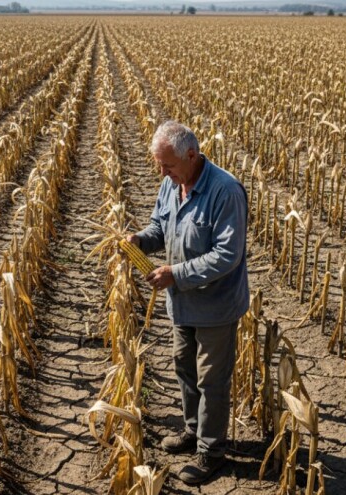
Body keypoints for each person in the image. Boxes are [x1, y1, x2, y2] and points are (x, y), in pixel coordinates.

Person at [127, 120, 249, 485]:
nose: (161, 172)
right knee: (185, 369)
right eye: (159, 165)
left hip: (215, 306)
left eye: (167, 165)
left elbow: (228, 255)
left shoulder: (225, 191)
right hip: (182, 305)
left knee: (212, 380)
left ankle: (211, 452)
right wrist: (140, 241)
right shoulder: (170, 183)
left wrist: (175, 274)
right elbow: (159, 227)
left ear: (192, 155)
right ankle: (193, 430)